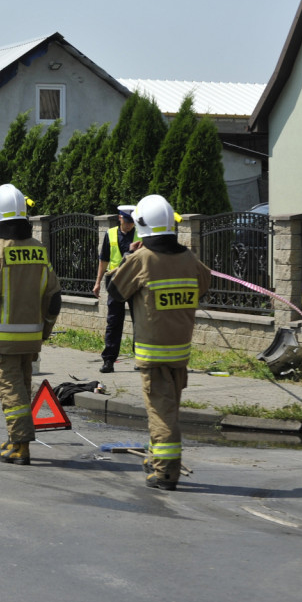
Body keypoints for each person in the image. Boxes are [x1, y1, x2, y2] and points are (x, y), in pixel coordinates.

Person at [108, 194, 211, 491]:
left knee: (161, 412)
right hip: (180, 350)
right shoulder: (188, 257)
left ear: (141, 225)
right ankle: (155, 457)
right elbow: (204, 284)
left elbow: (114, 291)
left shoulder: (142, 258)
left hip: (153, 353)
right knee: (167, 408)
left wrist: (128, 259)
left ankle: (165, 472)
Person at [0, 185, 61, 465]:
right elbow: (54, 298)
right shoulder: (39, 250)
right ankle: (14, 438)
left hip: (3, 340)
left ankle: (20, 446)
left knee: (10, 391)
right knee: (21, 388)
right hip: (32, 338)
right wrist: (45, 330)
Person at [92, 205, 140, 373]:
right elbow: (104, 260)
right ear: (120, 218)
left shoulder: (139, 234)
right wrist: (97, 282)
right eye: (127, 222)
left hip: (135, 282)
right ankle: (109, 360)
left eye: (132, 222)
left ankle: (140, 359)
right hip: (115, 282)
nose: (129, 225)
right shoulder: (110, 233)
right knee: (113, 322)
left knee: (139, 321)